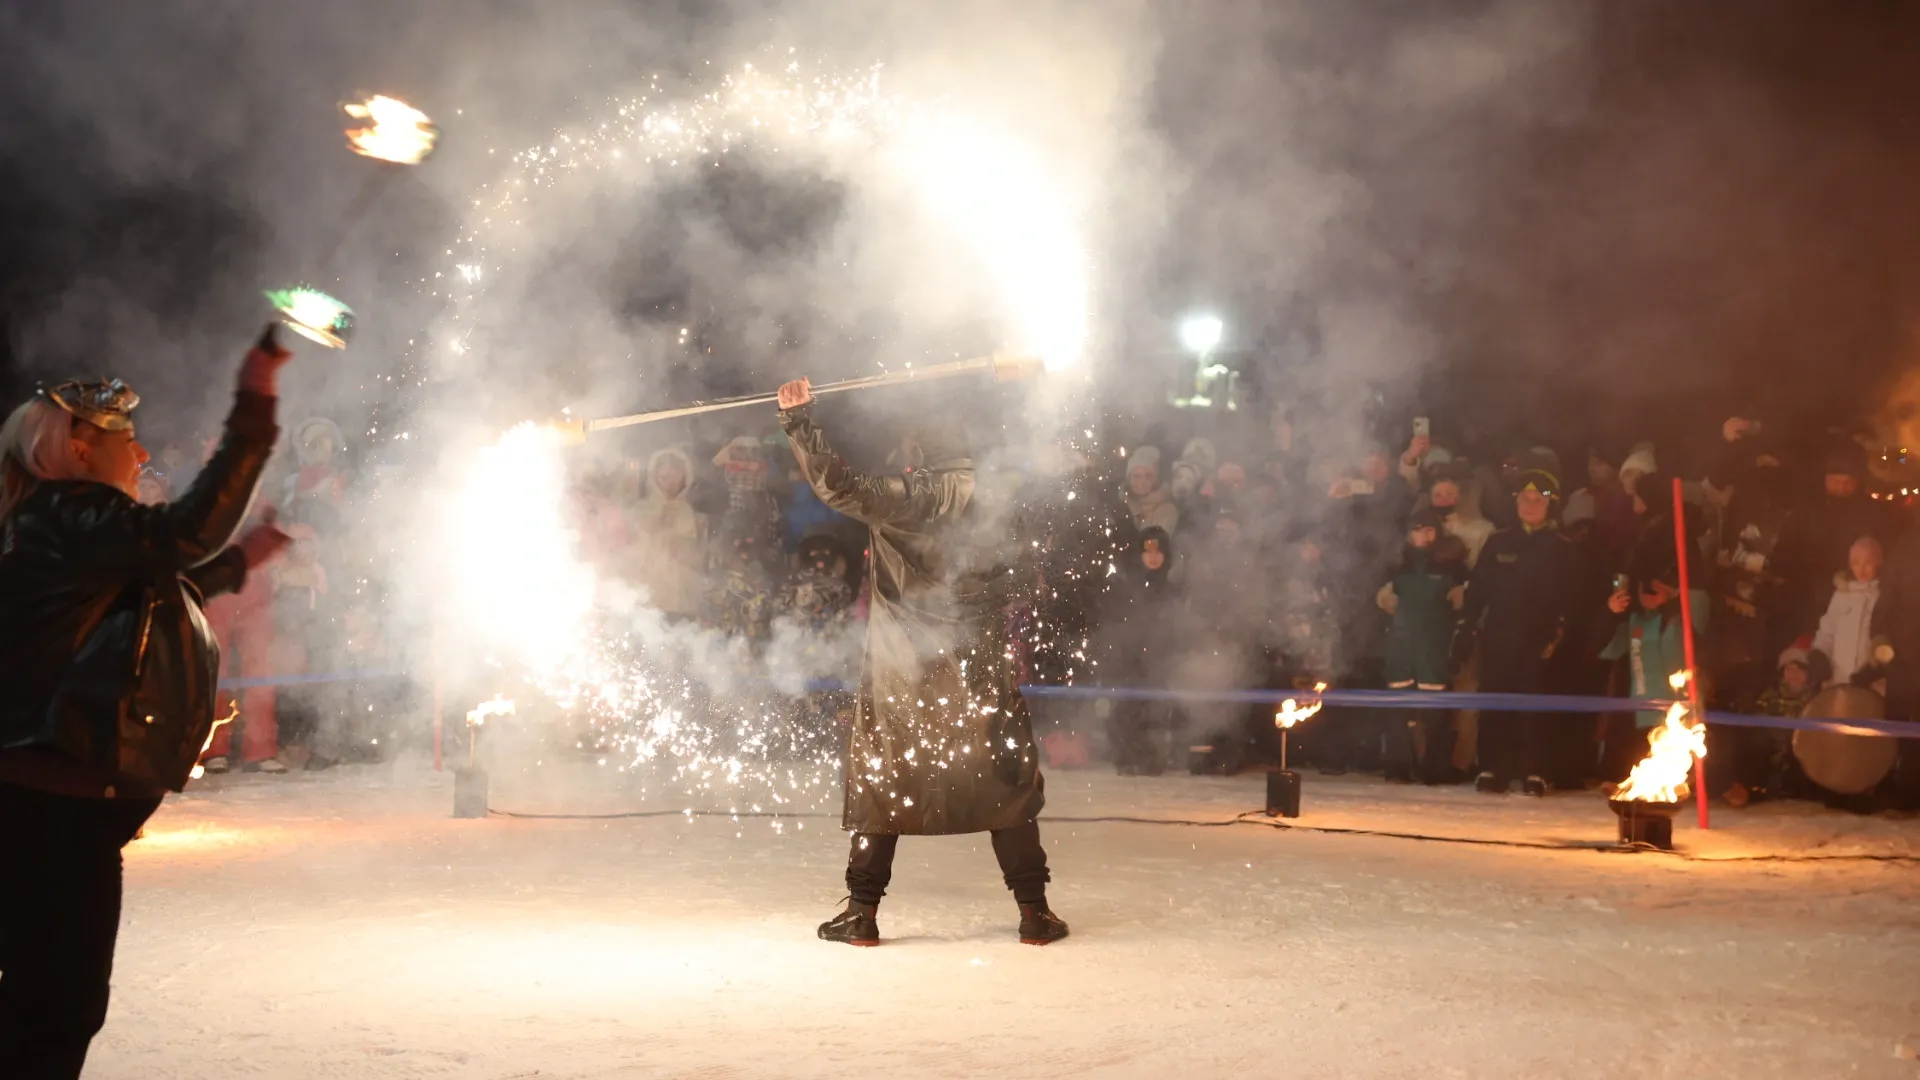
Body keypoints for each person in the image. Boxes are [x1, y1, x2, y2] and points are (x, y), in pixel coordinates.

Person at [0, 328, 294, 1078]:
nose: (137, 454)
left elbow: (163, 588)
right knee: (53, 1012)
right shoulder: (64, 513)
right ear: (72, 448)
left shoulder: (69, 530)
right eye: (121, 438)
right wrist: (255, 394)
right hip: (52, 810)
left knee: (51, 1007)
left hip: (68, 813)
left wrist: (238, 564)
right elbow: (182, 533)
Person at [777, 377, 1065, 947]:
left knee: (883, 781)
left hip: (903, 671)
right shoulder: (1000, 503)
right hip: (976, 666)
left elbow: (835, 484)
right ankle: (1034, 913)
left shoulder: (908, 495)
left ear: (918, 454)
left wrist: (799, 419)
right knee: (1005, 783)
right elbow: (1025, 573)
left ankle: (862, 913)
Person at [1457, 469, 1579, 796]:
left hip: (1540, 642)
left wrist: (1559, 634)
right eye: (1524, 498)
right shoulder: (1498, 542)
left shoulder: (1562, 547)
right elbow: (1478, 590)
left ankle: (1534, 770)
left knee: (1535, 707)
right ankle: (1492, 767)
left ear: (1550, 505)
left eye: (1537, 499)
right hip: (1499, 637)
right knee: (1495, 701)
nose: (1529, 504)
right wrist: (1467, 624)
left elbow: (1572, 595)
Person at [1377, 509, 1468, 782]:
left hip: (1435, 646)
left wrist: (1459, 638)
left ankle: (1435, 768)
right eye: (1417, 530)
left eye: (1429, 530)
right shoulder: (1397, 566)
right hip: (1401, 647)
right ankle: (1398, 766)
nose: (1423, 536)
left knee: (1435, 712)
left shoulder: (1453, 566)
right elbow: (1383, 602)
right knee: (1399, 709)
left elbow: (1463, 606)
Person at [1811, 536, 1885, 687]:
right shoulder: (1842, 595)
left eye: (1868, 562)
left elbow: (1887, 639)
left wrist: (1877, 667)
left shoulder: (1883, 596)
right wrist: (1820, 654)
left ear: (1879, 562)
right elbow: (1827, 631)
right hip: (1839, 679)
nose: (1862, 569)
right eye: (1856, 563)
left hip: (1870, 682)